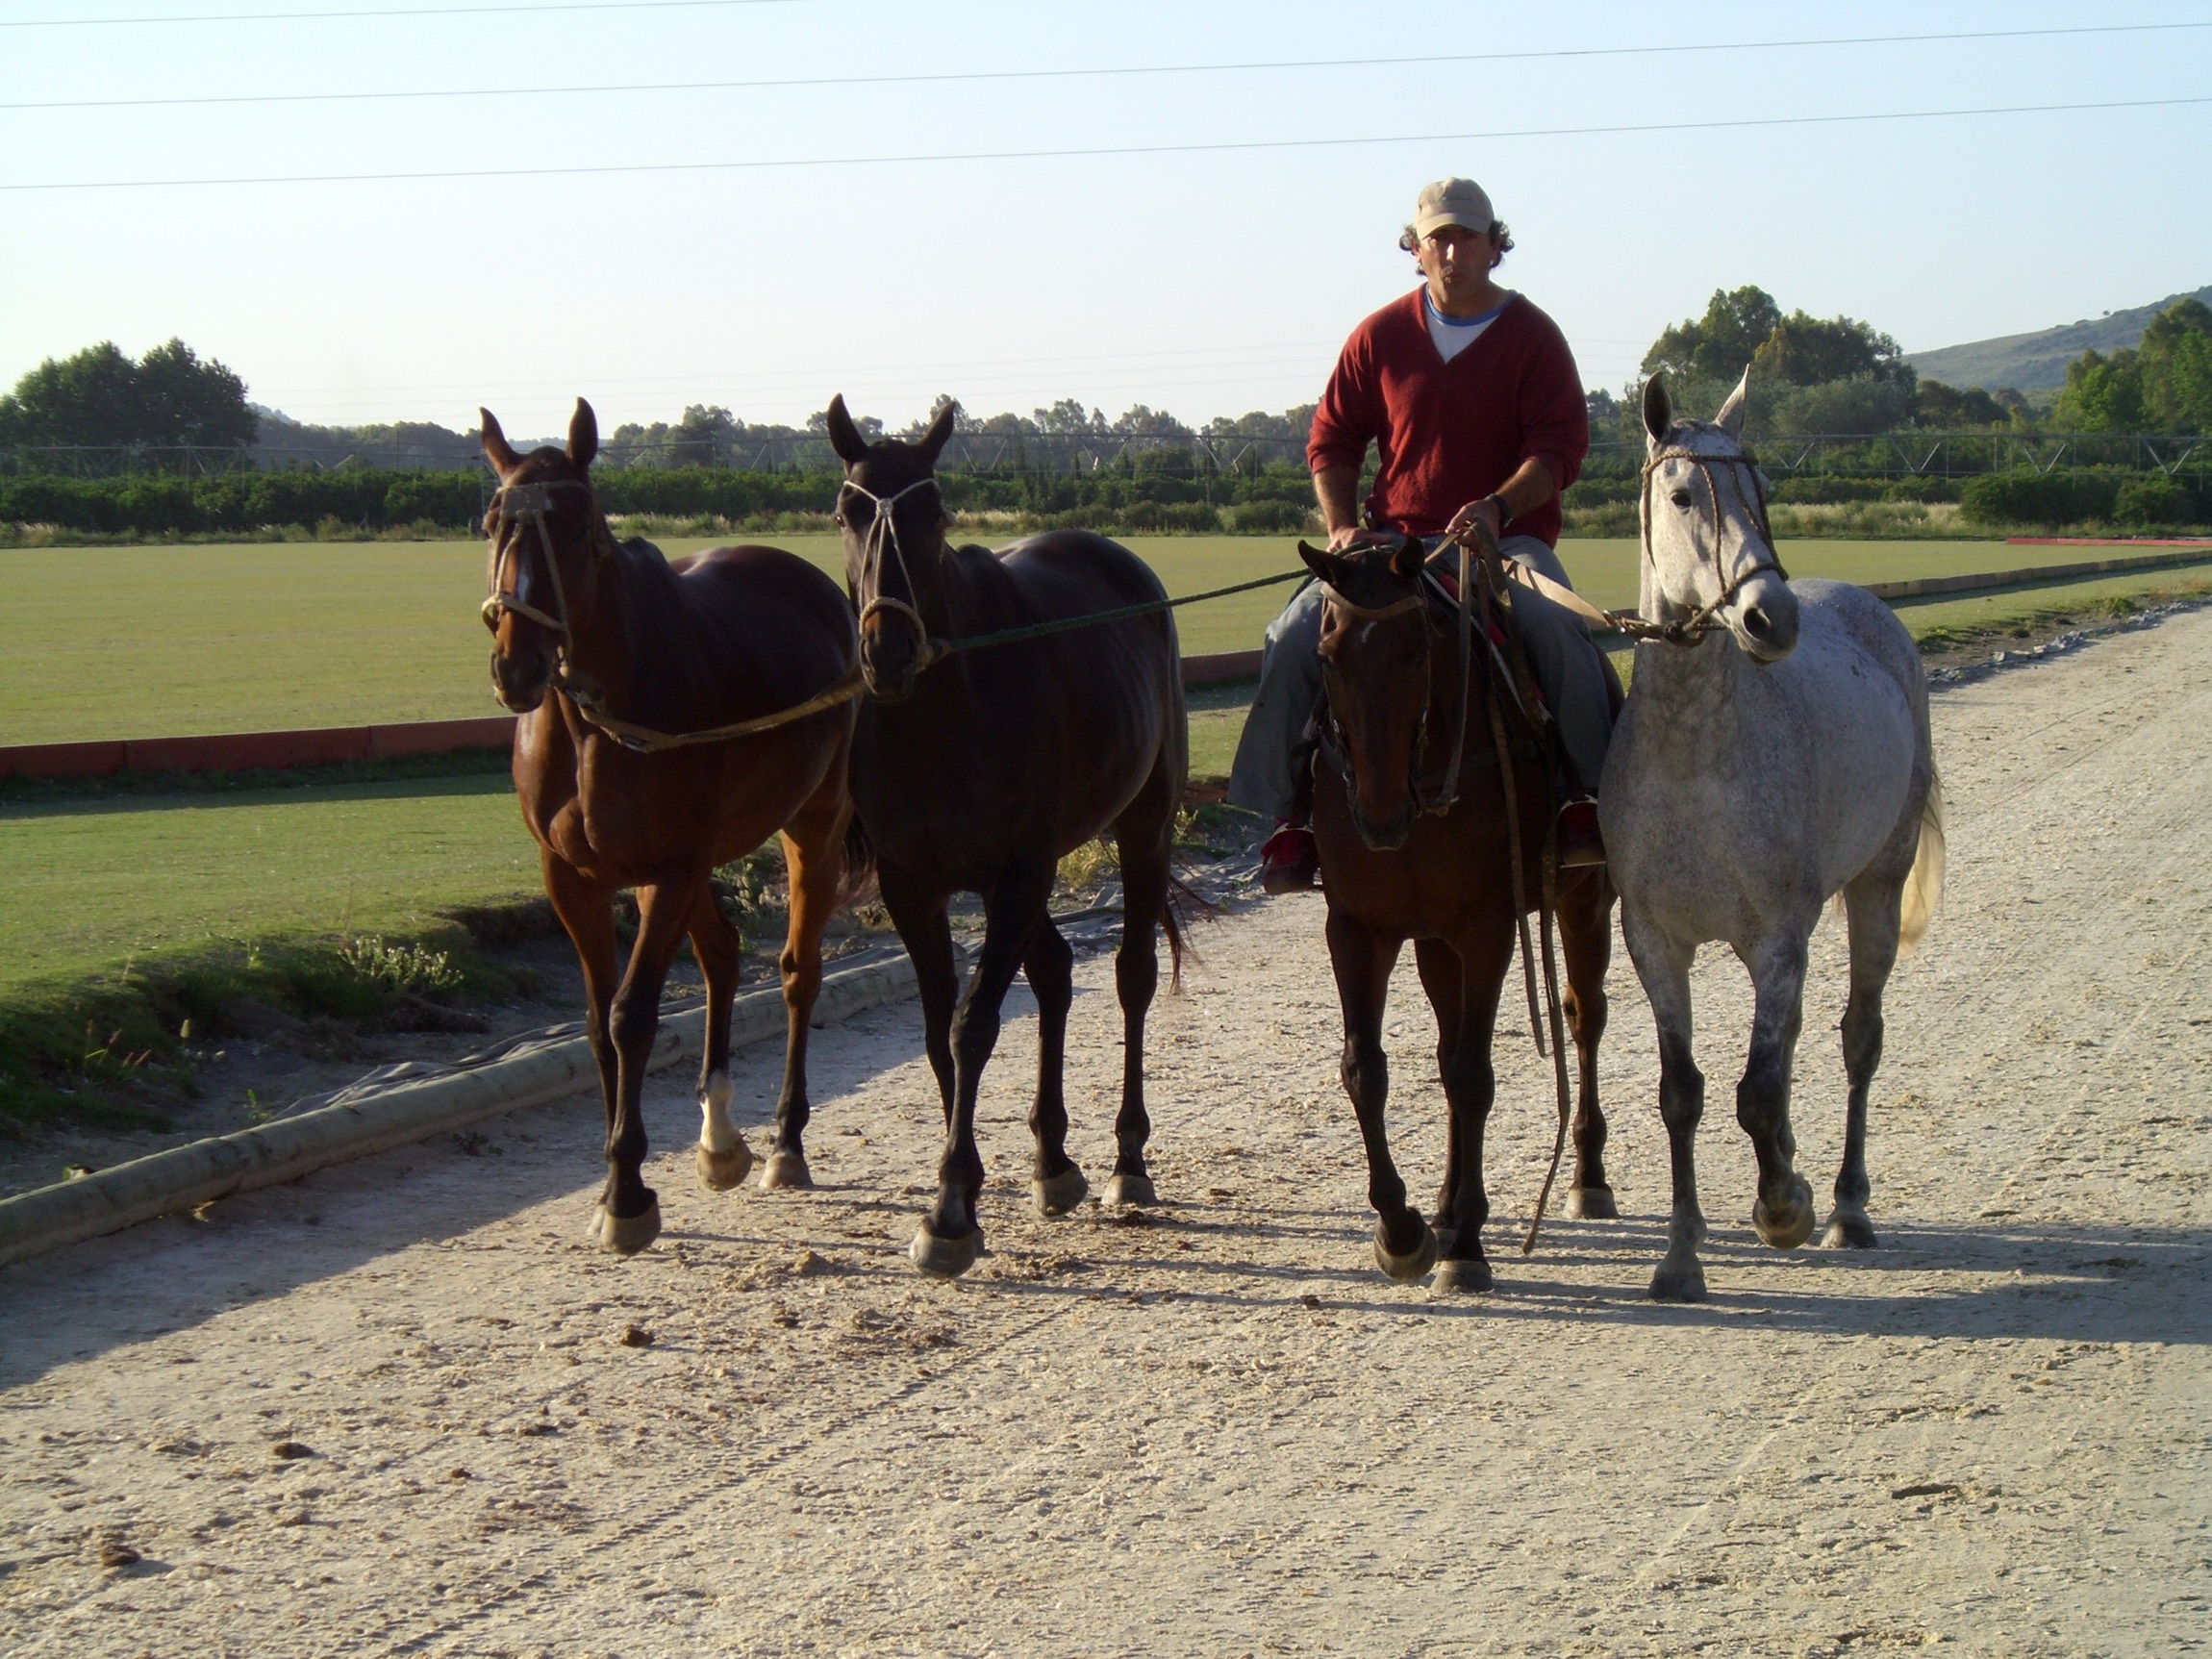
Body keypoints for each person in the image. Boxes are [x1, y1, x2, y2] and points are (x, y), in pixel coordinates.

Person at [1228, 176, 1616, 892]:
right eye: (1438, 236)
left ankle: (1586, 799)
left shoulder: (1533, 337)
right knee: (1292, 636)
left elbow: (1560, 449)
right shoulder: (1377, 336)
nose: (1452, 249)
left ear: (1496, 247)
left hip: (1501, 544)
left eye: (1468, 235)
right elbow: (1331, 442)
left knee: (1559, 632)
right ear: (1415, 249)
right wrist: (1342, 529)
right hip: (1390, 550)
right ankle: (1285, 820)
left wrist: (1497, 509)